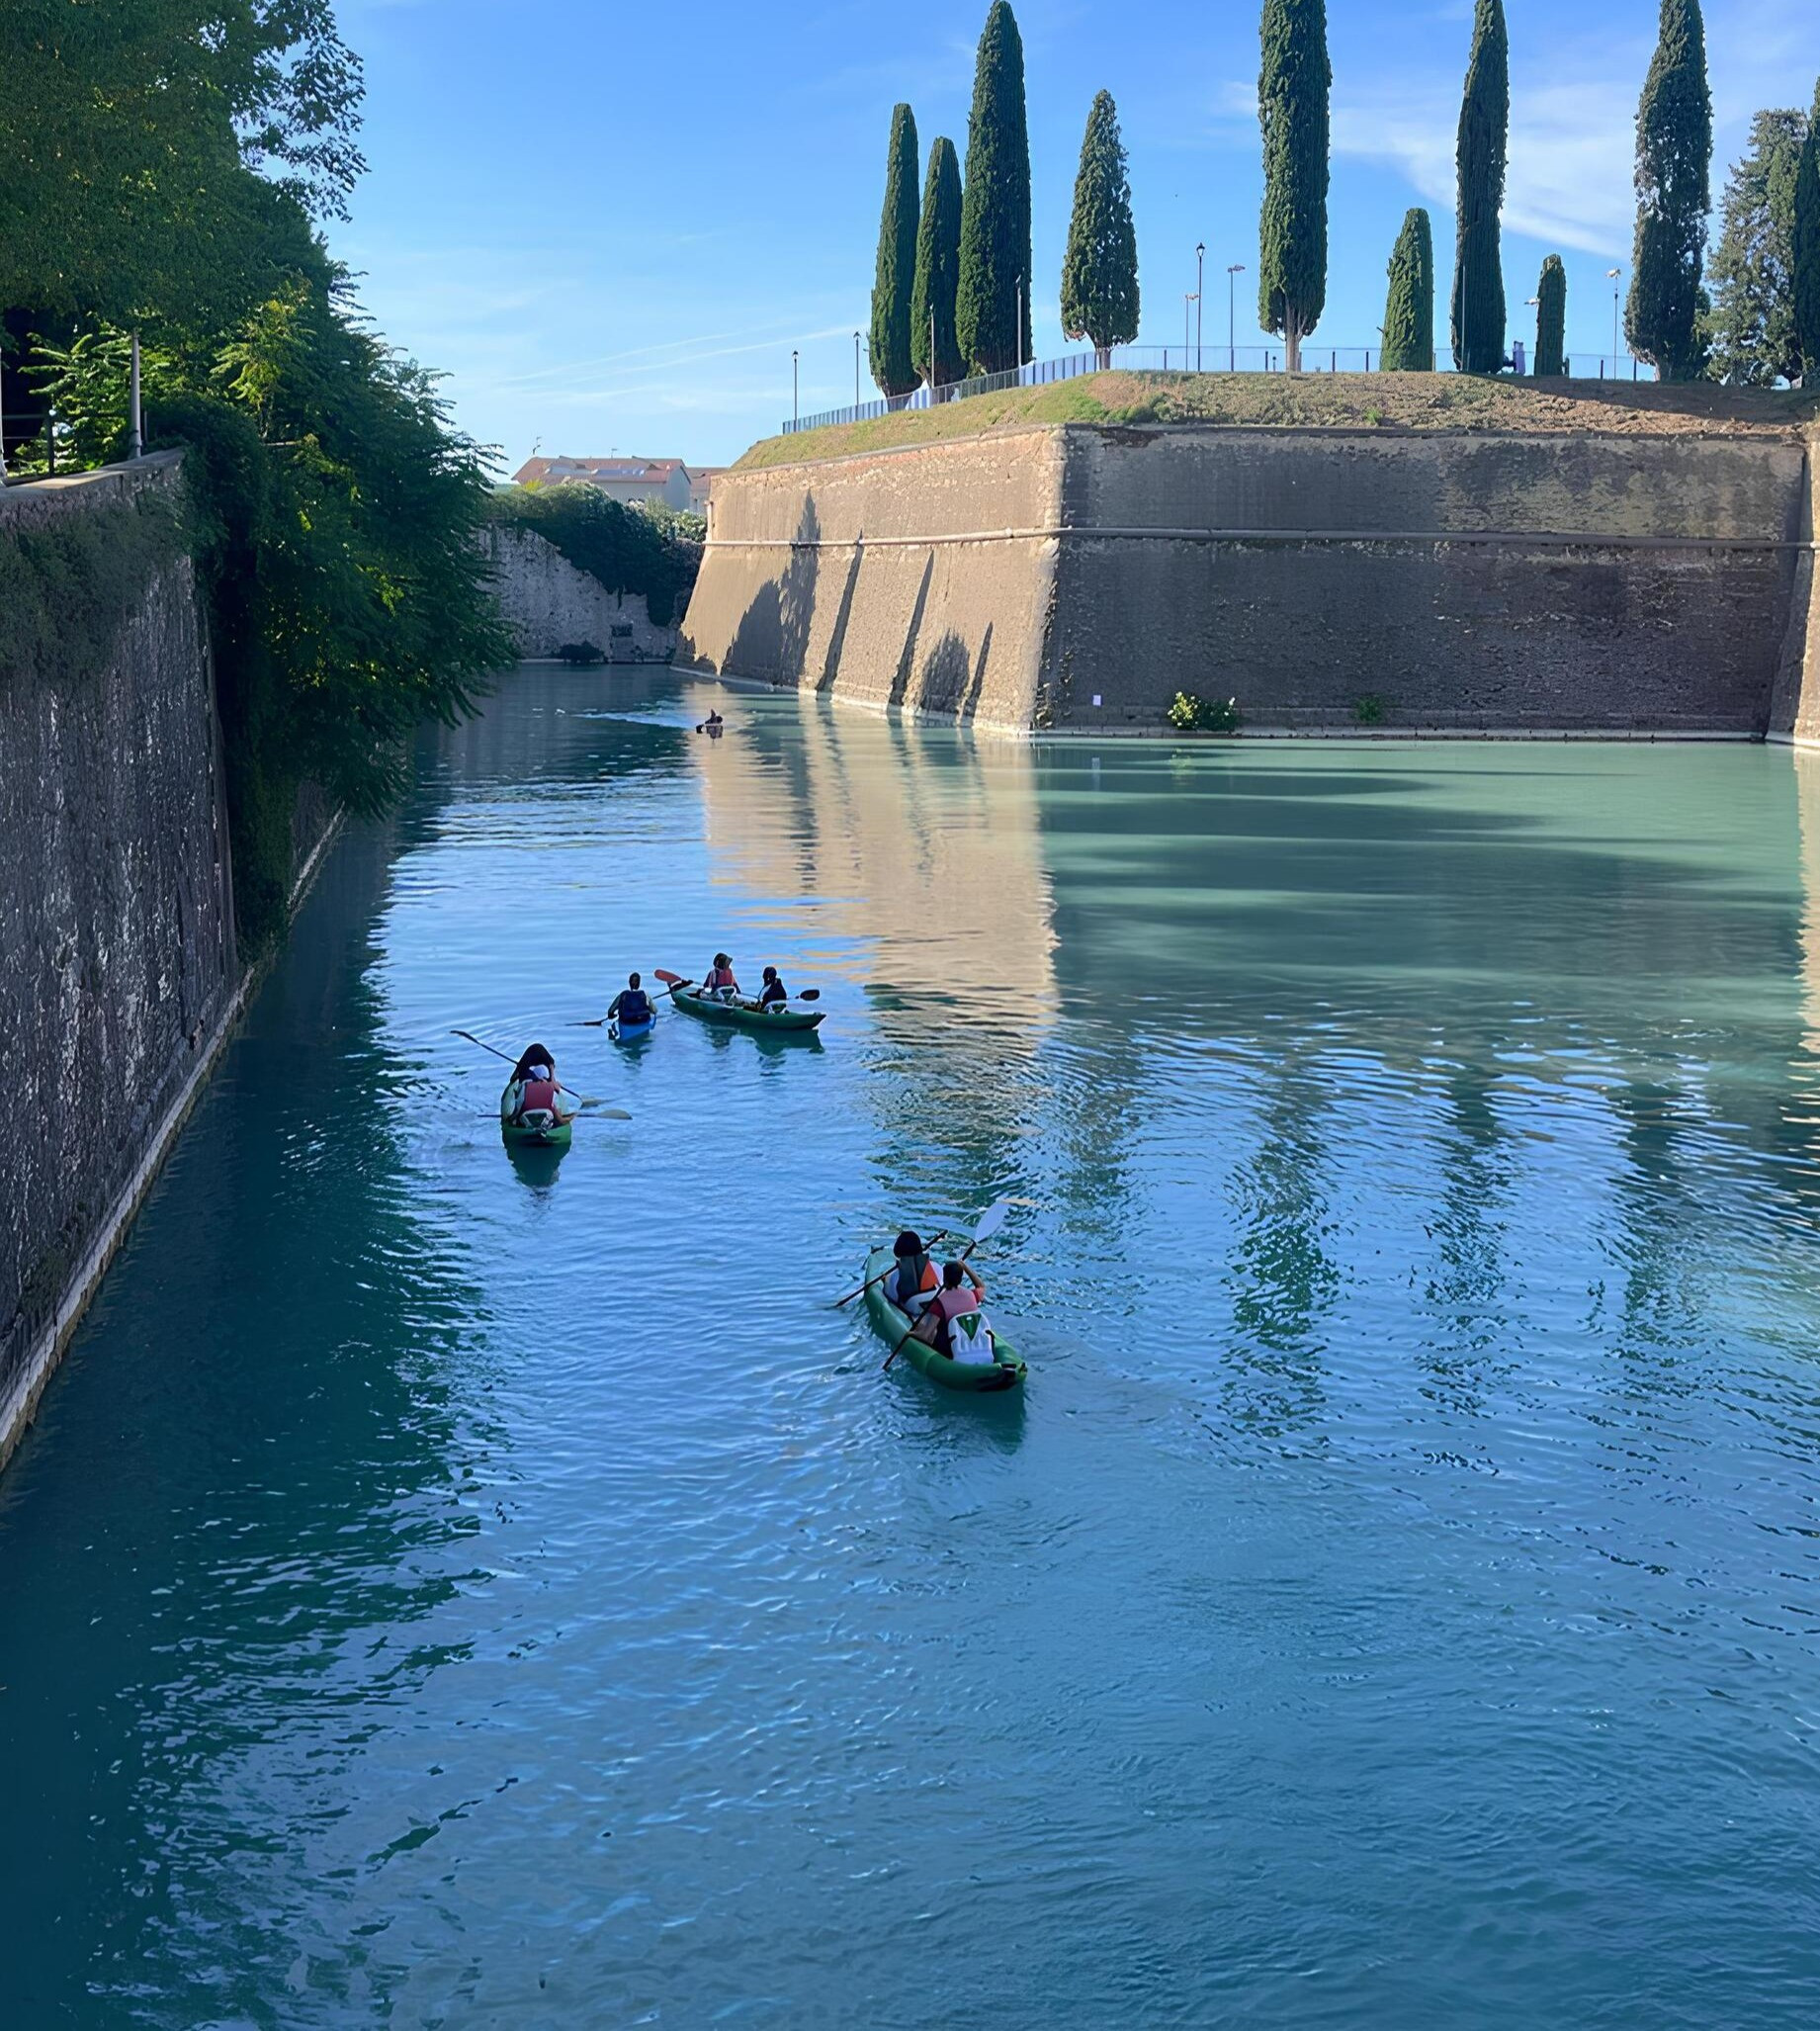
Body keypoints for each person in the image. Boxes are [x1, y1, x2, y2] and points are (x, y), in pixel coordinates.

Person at [915, 1260, 994, 1365]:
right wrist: (965, 1266)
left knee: (921, 1325)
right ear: (960, 1279)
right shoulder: (973, 1295)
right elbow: (981, 1286)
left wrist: (910, 1333)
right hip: (973, 1343)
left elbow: (925, 1335)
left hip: (950, 1349)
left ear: (944, 1279)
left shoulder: (939, 1303)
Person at [504, 1044, 571, 1127]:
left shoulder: (524, 1081)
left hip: (525, 1118)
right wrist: (555, 1083)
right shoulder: (549, 1085)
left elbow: (513, 1079)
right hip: (545, 1117)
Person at [885, 1230, 940, 1318]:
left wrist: (885, 1281)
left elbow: (892, 1298)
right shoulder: (937, 1268)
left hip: (910, 1310)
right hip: (933, 1307)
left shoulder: (895, 1276)